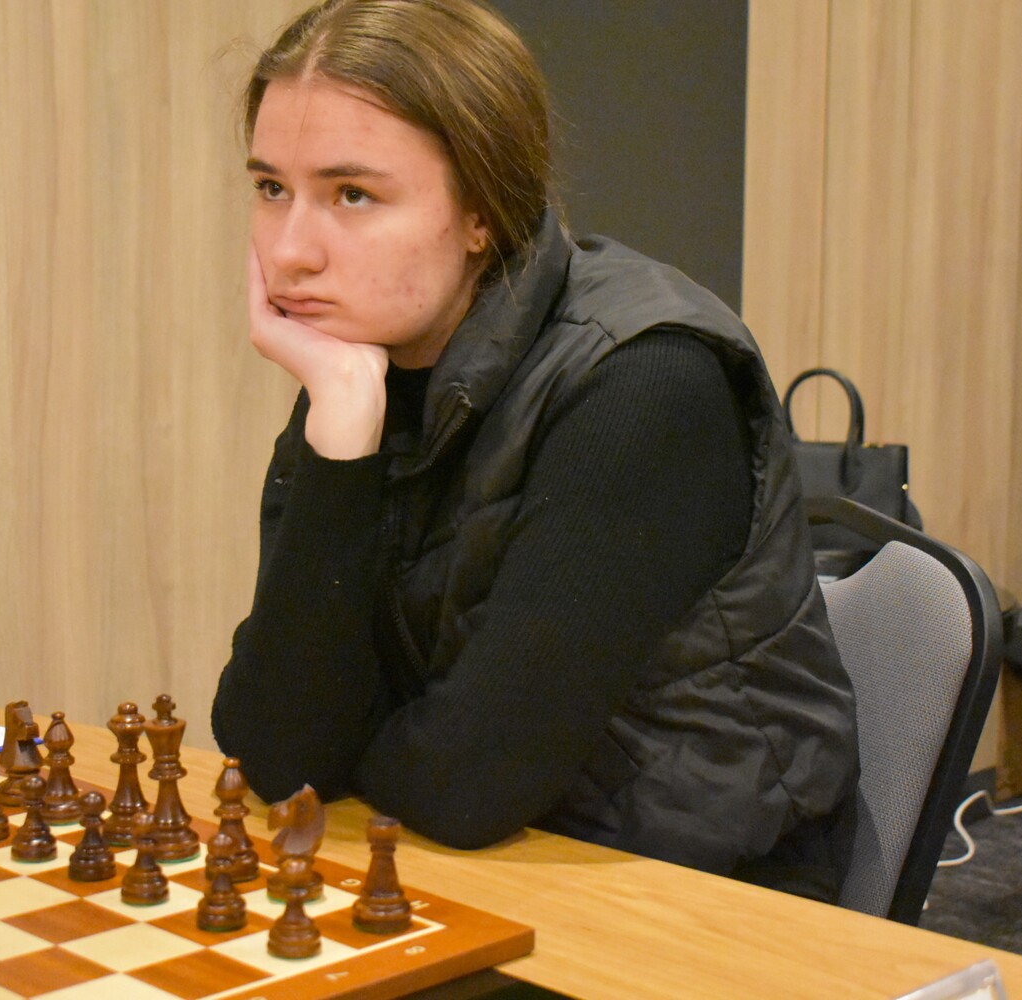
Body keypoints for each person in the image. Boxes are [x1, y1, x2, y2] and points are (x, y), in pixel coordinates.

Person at [211, 0, 859, 903]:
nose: (288, 253)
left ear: (481, 210)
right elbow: (280, 750)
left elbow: (467, 782)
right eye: (272, 189)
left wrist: (352, 746)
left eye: (352, 194)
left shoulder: (646, 382)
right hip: (477, 870)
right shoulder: (361, 371)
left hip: (693, 901)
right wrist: (341, 434)